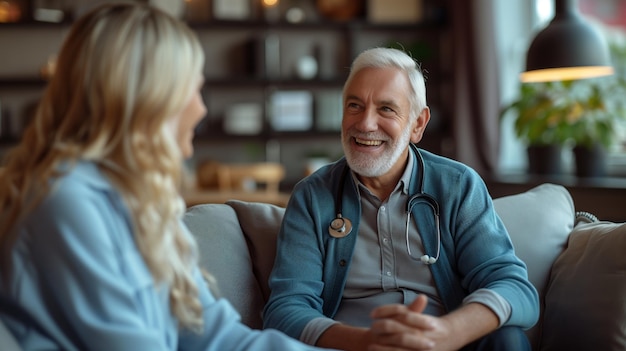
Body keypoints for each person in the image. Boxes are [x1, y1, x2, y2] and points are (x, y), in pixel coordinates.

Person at [0, 3, 335, 351]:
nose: (201, 109)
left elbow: (216, 336)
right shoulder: (65, 201)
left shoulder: (143, 206)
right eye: (192, 88)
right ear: (147, 98)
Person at [263, 47, 539, 351]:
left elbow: (515, 289)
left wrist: (448, 333)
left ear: (418, 124)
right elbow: (285, 310)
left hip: (441, 343)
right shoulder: (312, 196)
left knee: (508, 340)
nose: (366, 124)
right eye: (355, 105)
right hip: (351, 345)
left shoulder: (457, 186)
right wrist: (367, 342)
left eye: (386, 109)